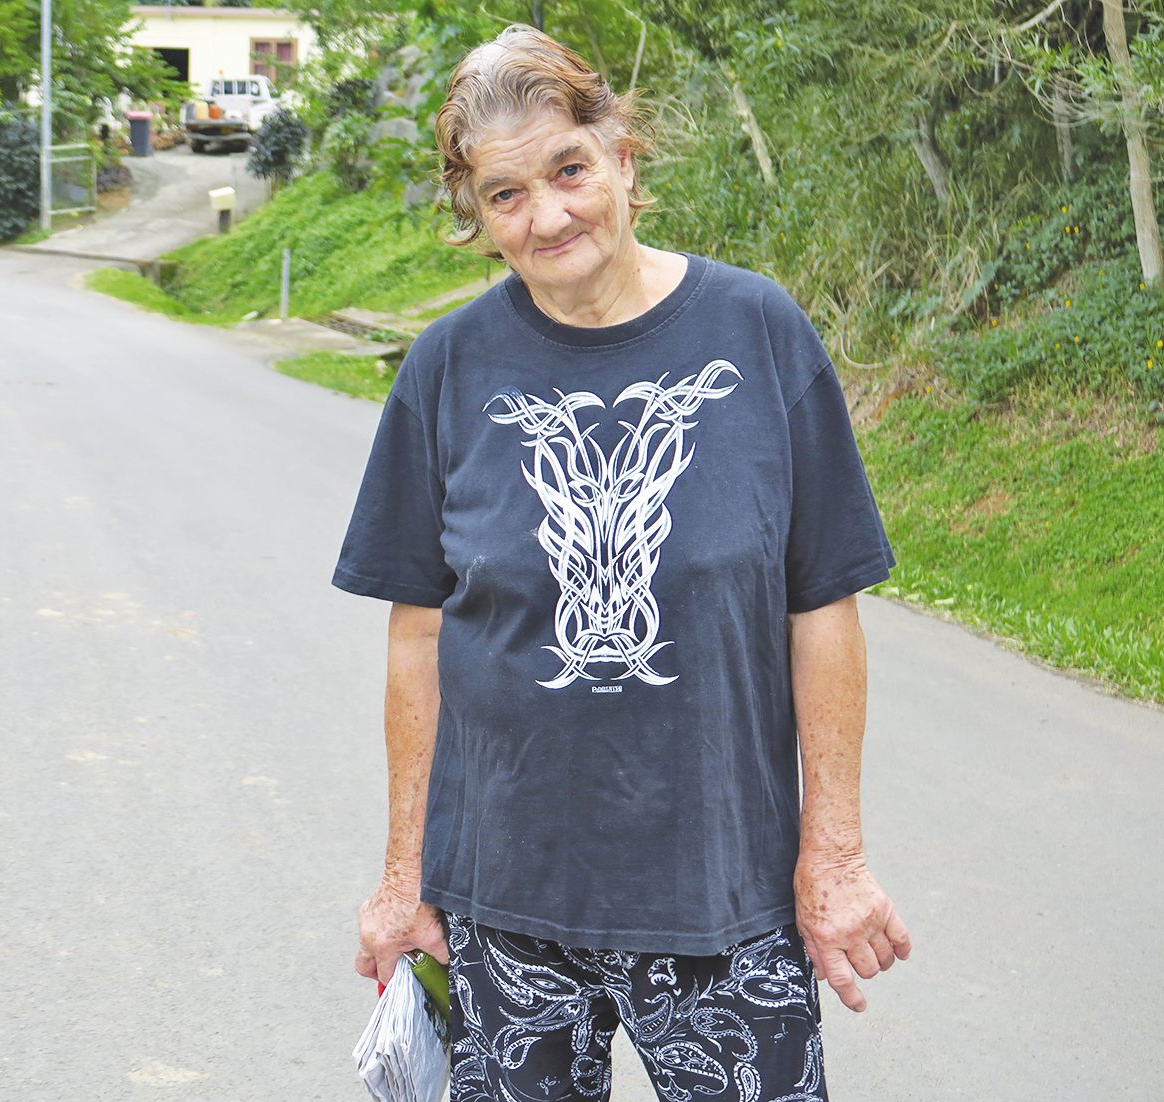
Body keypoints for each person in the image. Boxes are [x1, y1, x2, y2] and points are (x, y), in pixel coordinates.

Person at [331, 24, 912, 1102]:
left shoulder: (759, 333)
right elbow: (418, 635)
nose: (548, 215)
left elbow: (822, 608)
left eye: (568, 170)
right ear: (478, 215)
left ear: (623, 161)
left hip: (722, 894)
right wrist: (401, 876)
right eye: (505, 195)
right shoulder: (446, 370)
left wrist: (833, 859)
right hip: (503, 910)